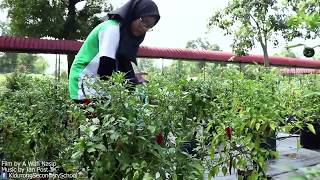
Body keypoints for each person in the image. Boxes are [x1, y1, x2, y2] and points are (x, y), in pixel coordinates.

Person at [68, 0, 160, 102]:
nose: (144, 28)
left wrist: (137, 82)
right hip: (85, 82)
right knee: (94, 116)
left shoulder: (127, 38)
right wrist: (121, 95)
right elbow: (106, 66)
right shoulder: (112, 28)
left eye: (149, 26)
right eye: (144, 21)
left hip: (100, 86)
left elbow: (128, 66)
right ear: (135, 14)